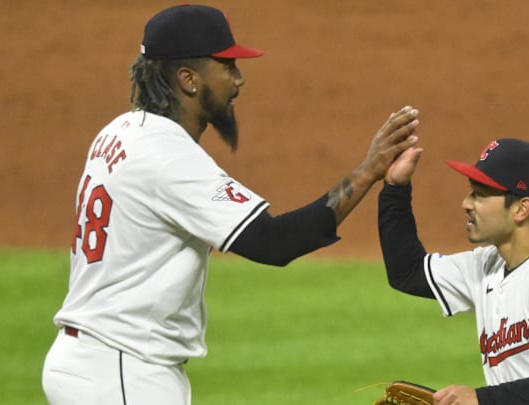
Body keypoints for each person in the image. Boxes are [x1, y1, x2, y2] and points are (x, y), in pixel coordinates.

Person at [41, 4, 420, 404]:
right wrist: (367, 171)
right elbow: (272, 242)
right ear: (188, 79)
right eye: (227, 66)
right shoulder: (165, 154)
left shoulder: (118, 131)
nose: (238, 80)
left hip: (98, 360)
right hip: (121, 369)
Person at [378, 138, 529, 404]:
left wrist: (481, 400)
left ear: (521, 208)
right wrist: (395, 189)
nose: (466, 203)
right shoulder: (487, 265)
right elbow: (408, 272)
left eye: (479, 194)